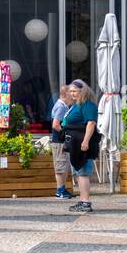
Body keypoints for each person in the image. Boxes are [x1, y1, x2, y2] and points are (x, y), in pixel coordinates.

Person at [62, 79, 99, 213]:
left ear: (82, 91)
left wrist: (85, 141)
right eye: (70, 91)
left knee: (82, 173)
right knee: (78, 172)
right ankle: (83, 199)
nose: (72, 94)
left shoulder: (87, 104)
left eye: (75, 91)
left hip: (82, 143)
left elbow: (91, 123)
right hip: (74, 144)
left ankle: (85, 202)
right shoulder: (76, 104)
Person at [50, 84, 72, 199]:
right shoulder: (61, 106)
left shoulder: (61, 105)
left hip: (59, 141)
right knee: (60, 165)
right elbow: (55, 124)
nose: (73, 96)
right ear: (66, 94)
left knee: (63, 165)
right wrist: (65, 133)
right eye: (71, 93)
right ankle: (60, 191)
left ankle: (62, 188)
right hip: (59, 141)